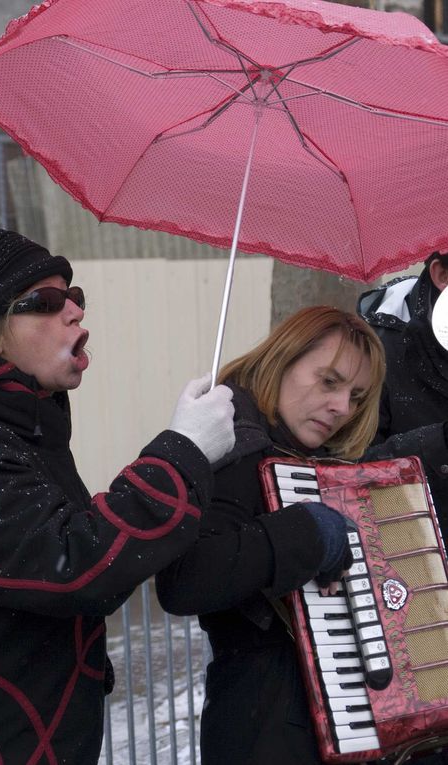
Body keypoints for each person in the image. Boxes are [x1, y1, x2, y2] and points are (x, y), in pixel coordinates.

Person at [0, 227, 236, 765]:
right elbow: (75, 565)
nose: (73, 312)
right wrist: (183, 452)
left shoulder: (22, 432)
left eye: (75, 298)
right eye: (45, 302)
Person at [156, 306, 386, 765]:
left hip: (313, 720)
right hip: (260, 726)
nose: (342, 408)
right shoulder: (233, 444)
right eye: (329, 381)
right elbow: (184, 579)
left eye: (357, 397)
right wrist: (307, 533)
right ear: (283, 360)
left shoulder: (308, 460)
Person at [358, 251, 448, 540]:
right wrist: (440, 443)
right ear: (442, 275)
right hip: (414, 562)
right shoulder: (375, 351)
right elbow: (343, 473)